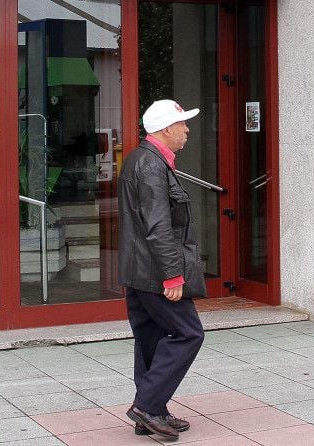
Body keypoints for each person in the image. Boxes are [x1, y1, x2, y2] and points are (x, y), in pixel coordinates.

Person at [119, 99, 206, 441]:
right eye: (182, 124)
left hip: (140, 270)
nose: (186, 130)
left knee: (151, 338)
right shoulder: (151, 166)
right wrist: (172, 275)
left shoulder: (143, 160)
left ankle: (152, 412)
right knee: (189, 333)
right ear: (166, 129)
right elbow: (157, 226)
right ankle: (147, 405)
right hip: (155, 273)